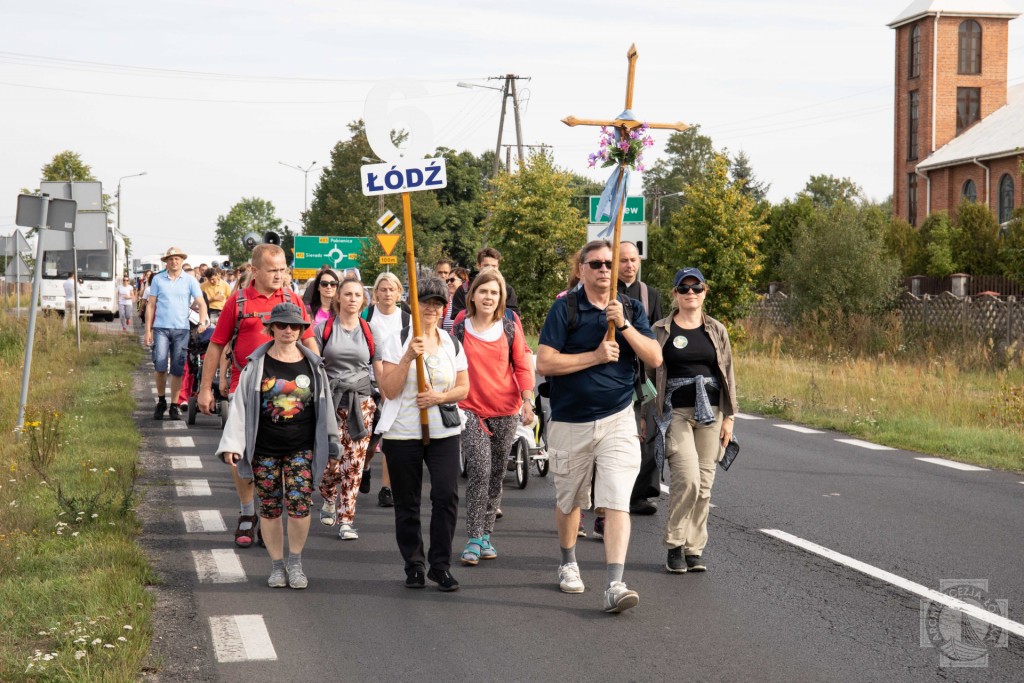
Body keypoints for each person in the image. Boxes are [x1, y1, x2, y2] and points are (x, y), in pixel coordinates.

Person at [536, 239, 662, 614]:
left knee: (617, 498)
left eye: (609, 263)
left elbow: (654, 356)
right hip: (570, 420)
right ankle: (568, 561)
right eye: (596, 264)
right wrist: (594, 356)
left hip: (618, 417)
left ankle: (614, 584)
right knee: (570, 499)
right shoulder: (564, 310)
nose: (605, 269)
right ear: (581, 270)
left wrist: (623, 326)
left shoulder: (631, 309)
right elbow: (544, 363)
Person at [198, 244, 315, 549]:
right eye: (273, 270)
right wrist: (205, 388)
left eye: (283, 269)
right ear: (255, 270)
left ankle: (267, 516)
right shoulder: (237, 302)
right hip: (244, 387)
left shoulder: (292, 299)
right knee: (239, 453)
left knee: (275, 457)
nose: (280, 275)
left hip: (285, 392)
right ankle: (247, 513)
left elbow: (310, 341)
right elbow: (216, 345)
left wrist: (321, 383)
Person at [216, 302, 340, 589]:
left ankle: (295, 562)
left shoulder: (313, 365)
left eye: (294, 326)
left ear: (301, 329)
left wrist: (332, 444)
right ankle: (276, 565)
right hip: (264, 448)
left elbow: (326, 408)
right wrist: (234, 443)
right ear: (271, 328)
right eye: (281, 325)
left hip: (301, 447)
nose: (288, 330)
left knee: (299, 506)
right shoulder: (256, 365)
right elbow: (241, 407)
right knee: (270, 509)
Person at [377, 276, 469, 591]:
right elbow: (388, 390)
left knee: (446, 496)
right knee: (408, 502)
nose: (431, 308)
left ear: (444, 308)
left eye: (437, 303)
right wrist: (406, 358)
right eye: (425, 302)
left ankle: (440, 565)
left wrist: (438, 398)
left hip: (443, 431)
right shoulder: (396, 339)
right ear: (413, 306)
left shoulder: (451, 342)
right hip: (403, 433)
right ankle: (414, 565)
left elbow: (463, 387)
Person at [646, 267, 736, 574]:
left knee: (706, 485)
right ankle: (674, 544)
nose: (690, 294)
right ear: (674, 294)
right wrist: (646, 416)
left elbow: (728, 373)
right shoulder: (660, 329)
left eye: (696, 289)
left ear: (704, 292)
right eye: (684, 289)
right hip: (675, 412)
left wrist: (730, 417)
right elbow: (647, 376)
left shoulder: (716, 330)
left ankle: (693, 548)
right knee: (688, 480)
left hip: (710, 412)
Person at [452, 268, 534, 566]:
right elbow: (451, 362)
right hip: (470, 409)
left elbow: (523, 365)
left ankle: (486, 533)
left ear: (500, 298)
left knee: (497, 474)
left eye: (494, 292)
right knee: (480, 472)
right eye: (483, 291)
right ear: (472, 295)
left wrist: (527, 401)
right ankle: (474, 536)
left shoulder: (510, 326)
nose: (488, 297)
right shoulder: (461, 325)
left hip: (506, 410)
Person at [315, 277, 382, 540]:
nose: (353, 299)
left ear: (363, 300)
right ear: (338, 299)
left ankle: (346, 520)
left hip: (361, 400)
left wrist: (386, 398)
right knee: (332, 460)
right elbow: (315, 365)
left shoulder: (369, 330)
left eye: (358, 295)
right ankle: (328, 496)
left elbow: (378, 366)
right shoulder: (324, 329)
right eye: (348, 294)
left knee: (354, 462)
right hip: (330, 399)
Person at [617, 241, 664, 517]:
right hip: (613, 371)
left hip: (643, 375)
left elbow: (657, 339)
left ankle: (641, 495)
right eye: (623, 260)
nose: (629, 265)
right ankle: (610, 493)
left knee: (646, 434)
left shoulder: (650, 295)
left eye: (634, 260)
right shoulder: (605, 291)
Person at [360, 271, 411, 507]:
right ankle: (366, 466)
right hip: (370, 383)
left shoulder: (407, 318)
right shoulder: (367, 316)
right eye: (383, 289)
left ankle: (386, 489)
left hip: (398, 382)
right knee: (370, 441)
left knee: (390, 436)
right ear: (376, 293)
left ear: (399, 293)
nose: (387, 293)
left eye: (392, 289)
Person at [146, 247, 209, 421]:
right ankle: (161, 401)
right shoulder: (158, 279)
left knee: (177, 368)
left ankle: (174, 405)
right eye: (171, 259)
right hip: (161, 328)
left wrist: (202, 322)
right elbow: (151, 305)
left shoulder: (190, 280)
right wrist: (148, 330)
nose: (174, 261)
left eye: (177, 259)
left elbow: (201, 303)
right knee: (159, 364)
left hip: (182, 329)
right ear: (166, 261)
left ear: (182, 261)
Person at [449, 247, 520, 320]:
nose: (490, 269)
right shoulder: (464, 289)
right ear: (478, 266)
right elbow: (458, 317)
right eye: (486, 266)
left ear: (498, 267)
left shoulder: (507, 290)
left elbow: (514, 316)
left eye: (493, 266)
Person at [441, 266, 468, 333]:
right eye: (447, 280)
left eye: (452, 280)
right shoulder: (444, 302)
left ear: (463, 282)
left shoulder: (470, 303)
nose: (449, 283)